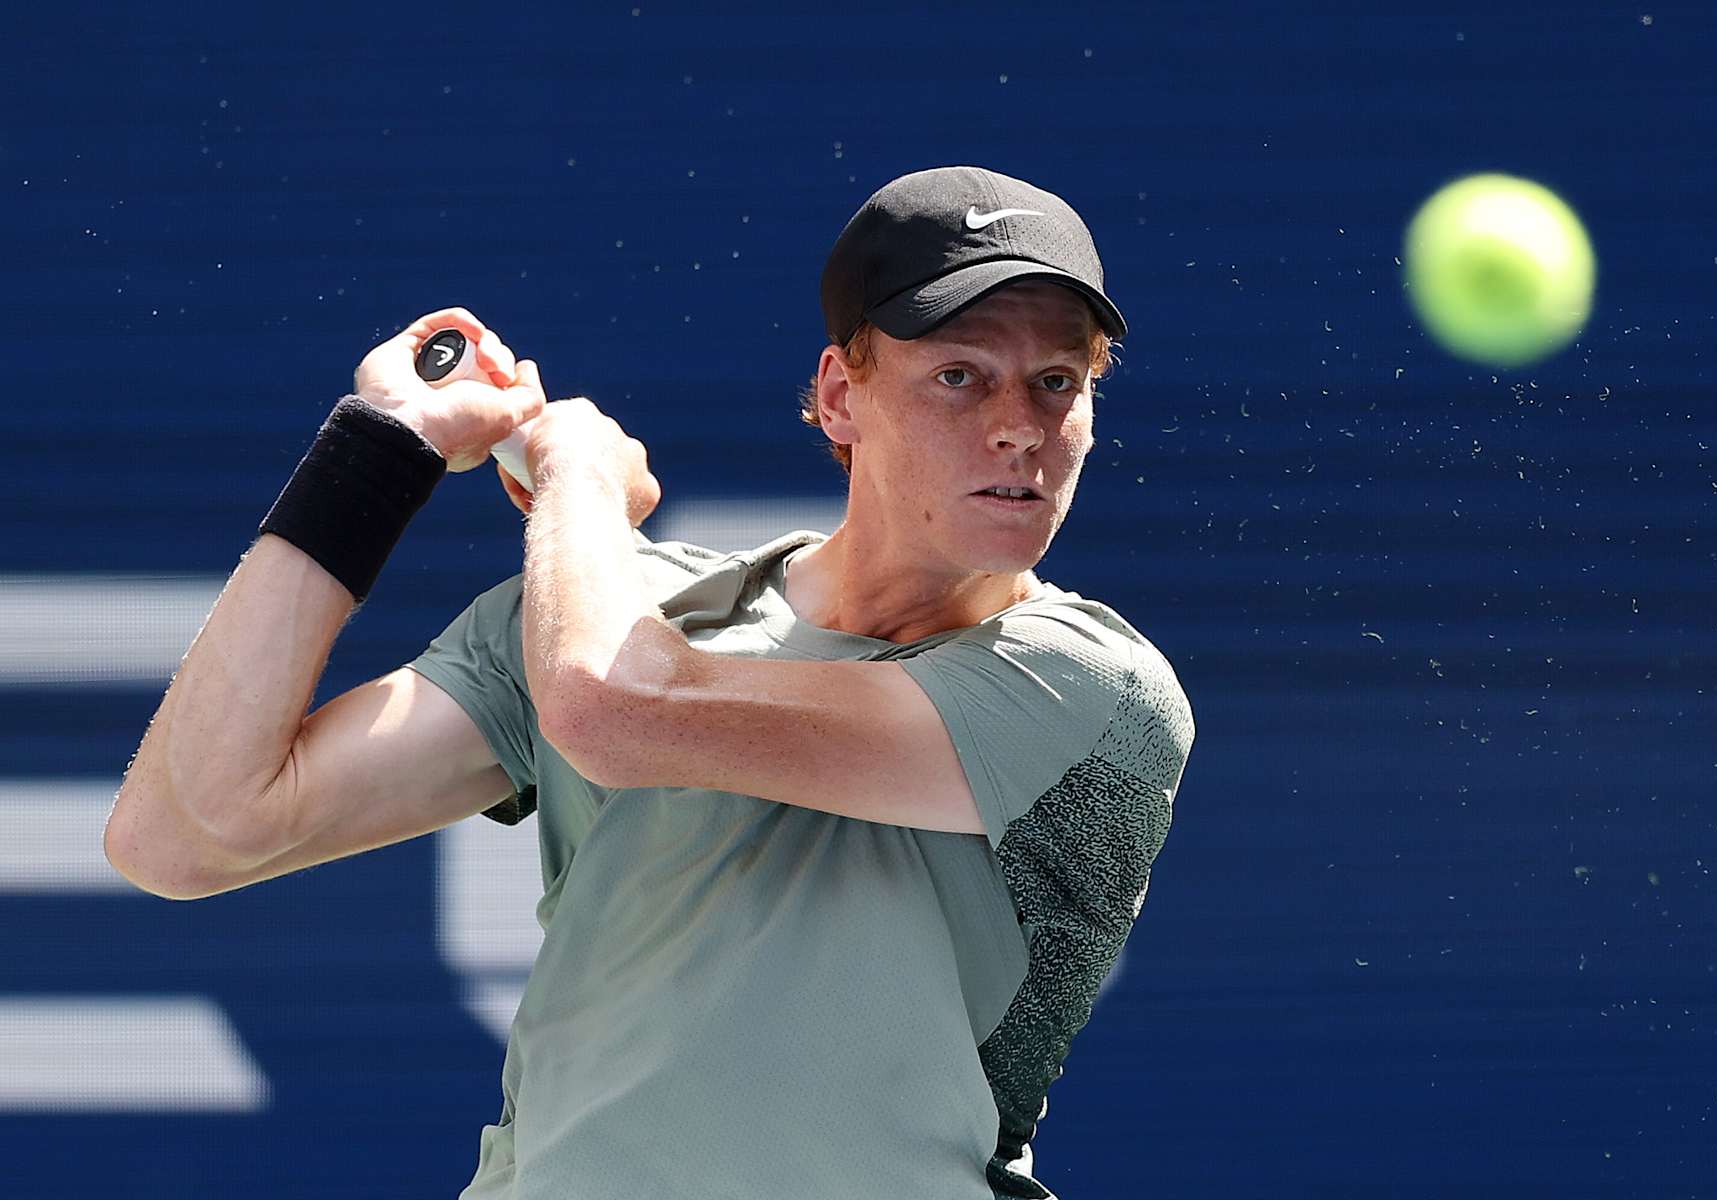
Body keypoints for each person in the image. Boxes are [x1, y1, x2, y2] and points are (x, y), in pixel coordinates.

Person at [106, 165, 1195, 1199]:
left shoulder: (1092, 690)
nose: (1018, 428)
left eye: (1058, 382)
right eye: (959, 375)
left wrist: (578, 478)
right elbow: (185, 834)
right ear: (840, 396)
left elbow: (611, 710)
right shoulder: (603, 610)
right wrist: (386, 447)